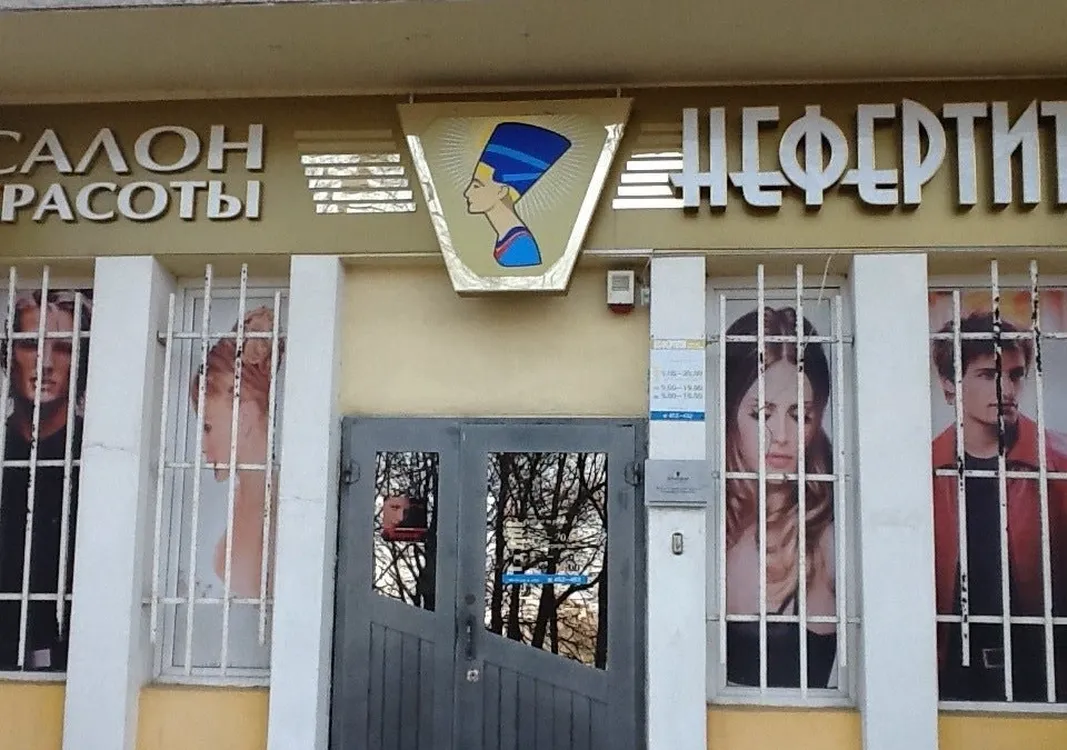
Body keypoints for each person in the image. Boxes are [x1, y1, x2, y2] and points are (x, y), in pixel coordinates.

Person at [931, 311, 1067, 701]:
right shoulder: (924, 468)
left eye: (1016, 375)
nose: (1006, 388)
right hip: (947, 674)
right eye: (988, 375)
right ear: (949, 384)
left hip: (1043, 675)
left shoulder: (1057, 462)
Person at [722, 306, 838, 688]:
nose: (783, 437)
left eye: (800, 416)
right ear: (729, 415)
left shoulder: (828, 540)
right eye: (762, 414)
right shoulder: (706, 527)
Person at [0, 289, 91, 671]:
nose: (47, 363)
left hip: (70, 648)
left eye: (64, 348)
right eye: (30, 345)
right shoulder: (5, 447)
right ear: (9, 354)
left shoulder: (93, 454)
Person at [190, 306, 284, 599]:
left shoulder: (279, 509)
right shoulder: (243, 499)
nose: (203, 445)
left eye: (207, 427)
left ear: (244, 418)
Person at [463, 121, 571, 269]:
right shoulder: (508, 238)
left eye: (477, 185)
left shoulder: (521, 246)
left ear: (502, 191)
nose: (467, 193)